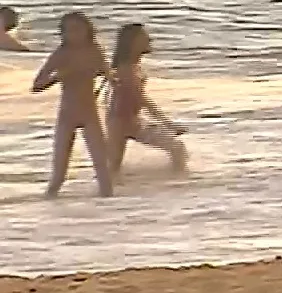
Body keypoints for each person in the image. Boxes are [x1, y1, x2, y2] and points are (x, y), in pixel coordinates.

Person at [30, 11, 114, 197]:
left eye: (78, 29)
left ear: (88, 30)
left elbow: (108, 74)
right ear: (63, 34)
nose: (74, 34)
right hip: (67, 115)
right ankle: (47, 206)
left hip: (90, 113)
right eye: (69, 31)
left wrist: (111, 77)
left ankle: (110, 213)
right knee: (59, 172)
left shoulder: (95, 51)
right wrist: (59, 76)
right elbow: (36, 86)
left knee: (103, 170)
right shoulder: (61, 54)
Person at [106, 23, 189, 178]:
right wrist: (168, 124)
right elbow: (142, 99)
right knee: (111, 169)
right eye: (144, 37)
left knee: (177, 148)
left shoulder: (132, 66)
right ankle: (177, 182)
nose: (150, 39)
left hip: (130, 120)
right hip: (120, 123)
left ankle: (172, 181)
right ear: (133, 43)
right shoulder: (126, 69)